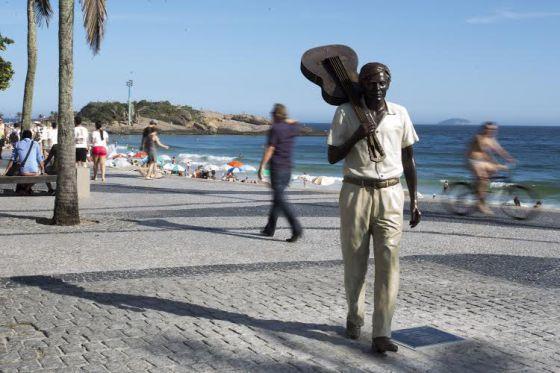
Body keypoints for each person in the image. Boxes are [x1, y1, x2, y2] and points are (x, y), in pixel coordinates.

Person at [327, 62, 421, 354]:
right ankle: (355, 317)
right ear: (361, 84)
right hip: (356, 190)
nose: (377, 88)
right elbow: (332, 155)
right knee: (355, 262)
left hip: (391, 193)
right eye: (371, 83)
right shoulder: (345, 112)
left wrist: (415, 199)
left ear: (389, 83)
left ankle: (382, 332)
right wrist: (357, 134)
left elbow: (408, 159)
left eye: (382, 83)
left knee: (389, 263)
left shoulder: (400, 113)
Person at [258, 103, 303, 243]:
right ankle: (269, 229)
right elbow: (296, 122)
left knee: (280, 200)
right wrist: (285, 119)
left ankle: (296, 228)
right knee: (277, 199)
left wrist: (261, 167)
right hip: (288, 169)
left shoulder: (275, 129)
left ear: (275, 115)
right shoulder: (291, 127)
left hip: (277, 169)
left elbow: (270, 149)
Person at [466, 122, 516, 214]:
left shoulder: (491, 139)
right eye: (488, 128)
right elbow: (485, 153)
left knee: (493, 173)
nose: (491, 130)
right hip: (473, 161)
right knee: (484, 180)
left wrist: (509, 158)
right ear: (484, 129)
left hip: (483, 162)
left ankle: (480, 191)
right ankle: (480, 203)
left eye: (493, 129)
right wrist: (497, 164)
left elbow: (500, 150)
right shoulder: (479, 137)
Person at [3, 129, 45, 195]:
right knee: (37, 173)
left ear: (22, 136)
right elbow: (40, 158)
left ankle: (24, 189)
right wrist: (43, 170)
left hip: (24, 172)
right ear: (31, 136)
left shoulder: (18, 144)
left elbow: (12, 159)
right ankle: (27, 188)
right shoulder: (36, 144)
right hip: (35, 171)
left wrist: (6, 171)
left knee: (19, 170)